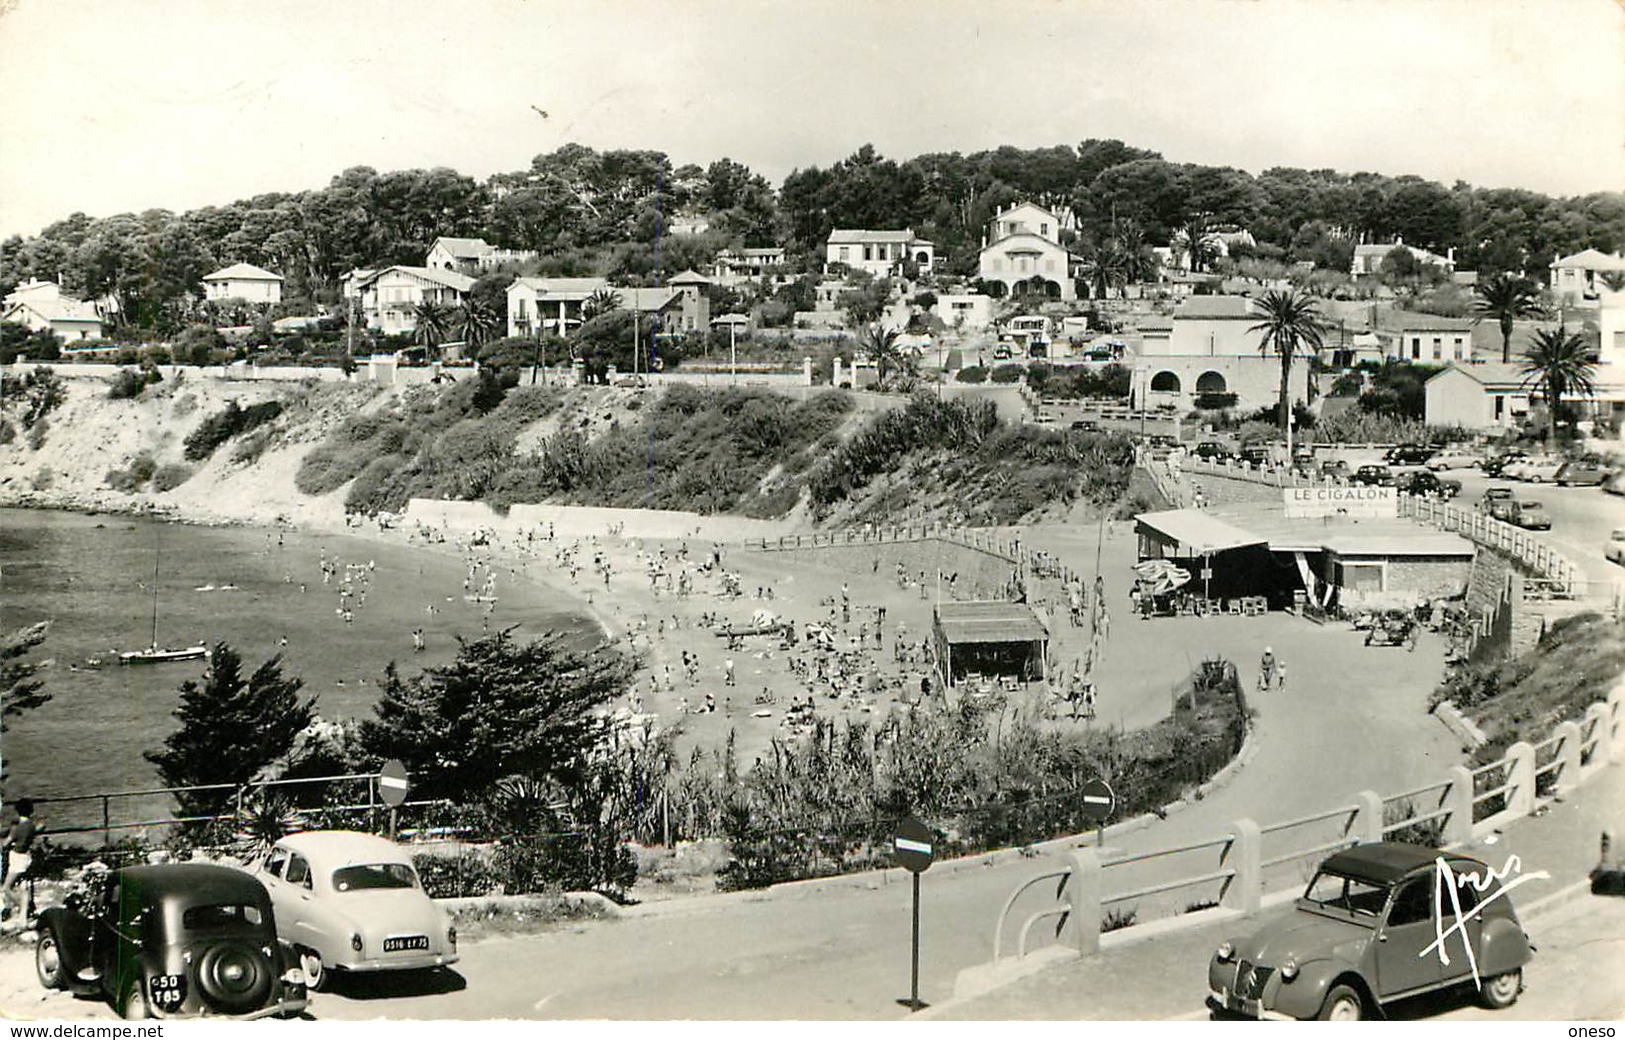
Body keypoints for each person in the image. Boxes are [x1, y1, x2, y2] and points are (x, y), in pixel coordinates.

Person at [2, 799, 37, 924]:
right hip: (27, 856)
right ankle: (22, 911)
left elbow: (5, 844)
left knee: (6, 888)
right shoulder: (32, 826)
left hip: (17, 858)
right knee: (23, 887)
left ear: (17, 812)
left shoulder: (17, 828)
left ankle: (23, 906)